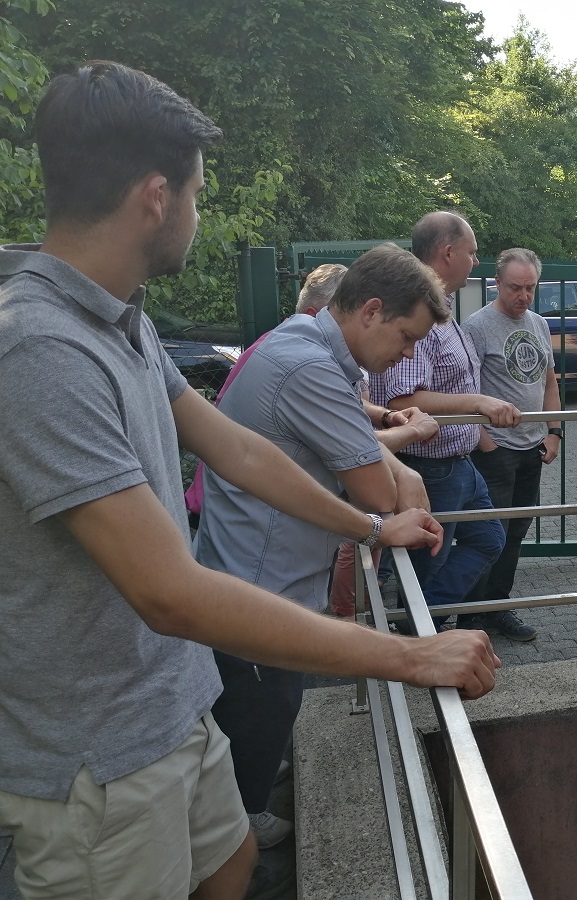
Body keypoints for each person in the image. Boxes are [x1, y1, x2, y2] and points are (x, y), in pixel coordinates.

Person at [0, 61, 498, 900]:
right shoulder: (41, 348)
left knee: (230, 866)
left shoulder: (119, 318)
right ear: (155, 196)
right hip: (100, 758)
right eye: (197, 193)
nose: (200, 213)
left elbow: (240, 451)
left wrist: (371, 532)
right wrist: (408, 656)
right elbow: (170, 592)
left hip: (169, 701)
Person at [192, 243, 447, 854]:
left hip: (255, 577)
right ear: (371, 312)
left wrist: (392, 467)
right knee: (258, 723)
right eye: (406, 337)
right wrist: (396, 486)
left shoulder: (302, 342)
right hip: (260, 594)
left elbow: (362, 449)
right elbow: (376, 491)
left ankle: (242, 819)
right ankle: (238, 842)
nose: (407, 355)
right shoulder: (309, 366)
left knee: (258, 722)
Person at [369, 211, 514, 620]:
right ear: (448, 253)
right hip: (431, 467)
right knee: (426, 561)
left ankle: (425, 622)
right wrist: (476, 403)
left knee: (488, 539)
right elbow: (401, 401)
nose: (476, 261)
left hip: (459, 464)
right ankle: (420, 635)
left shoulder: (441, 310)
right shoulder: (416, 313)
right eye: (471, 252)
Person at [459, 248, 562, 641]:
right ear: (497, 283)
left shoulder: (537, 323)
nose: (523, 296)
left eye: (530, 288)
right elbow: (465, 391)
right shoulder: (477, 327)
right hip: (496, 450)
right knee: (488, 535)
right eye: (516, 287)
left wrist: (554, 432)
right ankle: (470, 616)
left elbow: (548, 382)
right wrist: (485, 443)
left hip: (531, 449)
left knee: (516, 531)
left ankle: (498, 608)